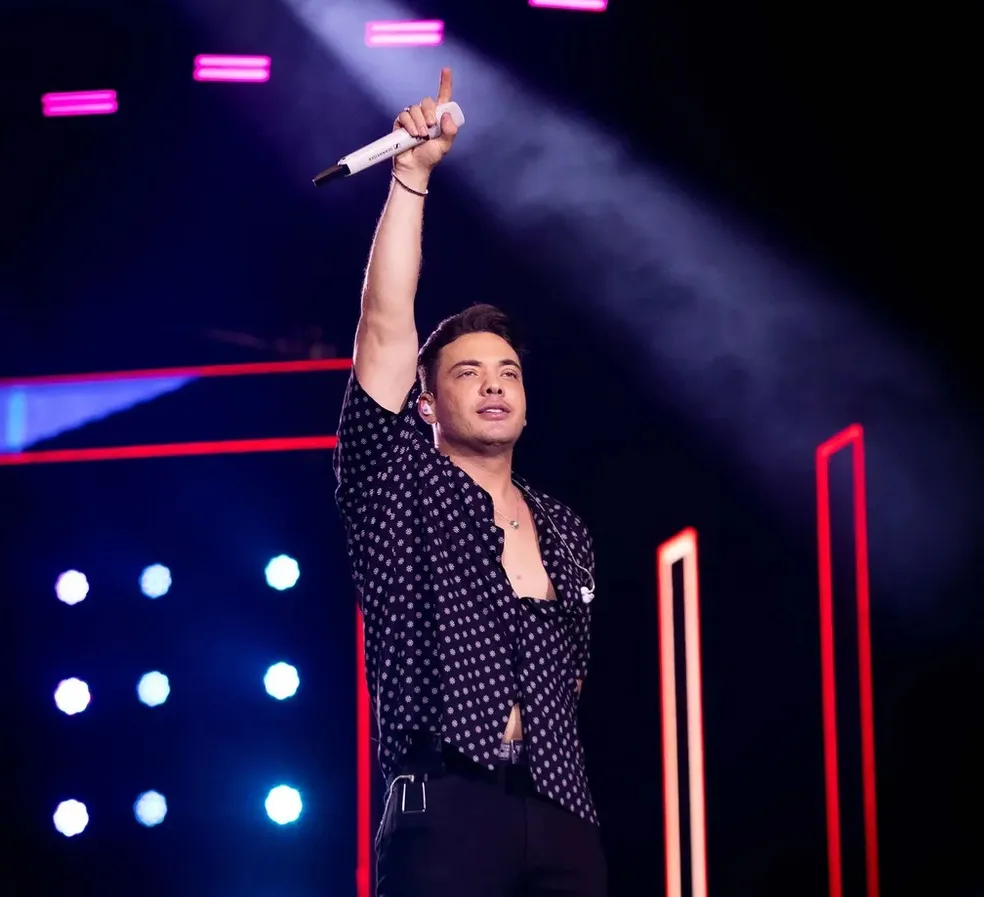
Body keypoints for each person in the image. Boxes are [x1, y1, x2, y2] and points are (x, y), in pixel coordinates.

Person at [334, 68, 607, 897]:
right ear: (425, 403)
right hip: (443, 803)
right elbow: (386, 328)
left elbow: (571, 676)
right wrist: (411, 177)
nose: (493, 384)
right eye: (467, 372)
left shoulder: (565, 527)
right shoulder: (399, 484)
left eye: (508, 372)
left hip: (562, 809)